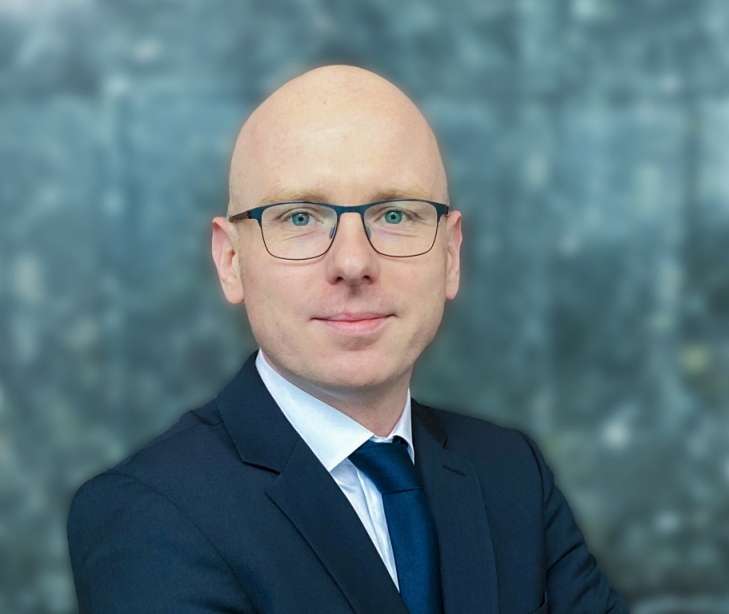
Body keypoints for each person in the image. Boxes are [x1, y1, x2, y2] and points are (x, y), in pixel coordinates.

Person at [66, 65, 629, 614]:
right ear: (231, 260)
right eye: (299, 218)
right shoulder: (148, 514)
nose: (354, 263)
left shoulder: (511, 474)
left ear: (450, 253)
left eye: (395, 215)